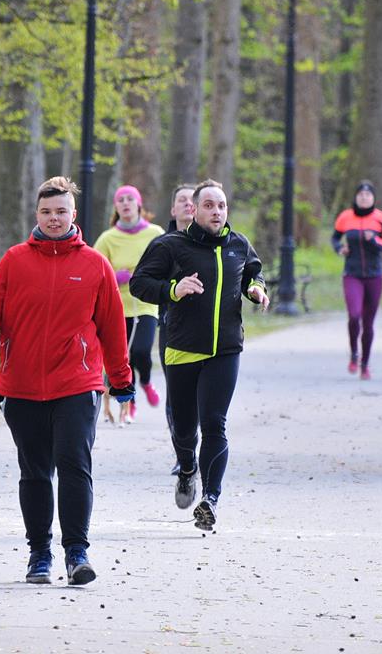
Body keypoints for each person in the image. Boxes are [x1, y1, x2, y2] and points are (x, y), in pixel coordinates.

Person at [0, 176, 134, 586]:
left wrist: (121, 380)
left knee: (74, 465)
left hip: (77, 383)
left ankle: (77, 552)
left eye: (61, 211)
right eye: (46, 212)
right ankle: (39, 553)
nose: (54, 219)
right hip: (21, 386)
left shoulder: (94, 265)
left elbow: (112, 328)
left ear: (74, 215)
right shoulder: (13, 261)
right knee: (35, 472)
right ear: (36, 214)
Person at [130, 179, 268, 532]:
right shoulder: (171, 246)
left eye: (221, 205)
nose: (216, 212)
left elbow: (254, 273)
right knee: (184, 429)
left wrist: (256, 290)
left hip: (225, 350)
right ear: (194, 210)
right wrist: (173, 289)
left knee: (215, 423)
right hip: (182, 349)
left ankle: (211, 499)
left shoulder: (238, 245)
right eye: (208, 205)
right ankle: (187, 468)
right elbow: (139, 283)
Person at [93, 185, 165, 422]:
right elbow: (94, 271)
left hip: (146, 304)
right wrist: (115, 277)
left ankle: (146, 382)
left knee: (141, 351)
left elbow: (168, 264)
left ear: (138, 204)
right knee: (123, 357)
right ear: (116, 207)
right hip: (117, 307)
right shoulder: (107, 238)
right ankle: (130, 403)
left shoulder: (156, 233)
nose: (125, 203)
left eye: (129, 199)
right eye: (121, 200)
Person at [330, 180, 382, 380]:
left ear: (373, 198)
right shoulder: (346, 217)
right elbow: (335, 238)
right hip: (352, 274)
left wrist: (375, 240)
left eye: (368, 195)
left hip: (374, 275)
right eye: (360, 194)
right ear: (356, 197)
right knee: (354, 315)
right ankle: (354, 353)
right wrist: (339, 248)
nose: (364, 198)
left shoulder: (381, 219)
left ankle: (365, 364)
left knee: (368, 323)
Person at [154, 184, 196, 474]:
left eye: (193, 200)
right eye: (182, 200)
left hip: (207, 331)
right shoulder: (162, 245)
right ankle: (183, 454)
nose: (188, 204)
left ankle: (196, 449)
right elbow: (146, 283)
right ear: (173, 209)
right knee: (177, 394)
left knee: (201, 396)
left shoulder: (215, 243)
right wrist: (173, 289)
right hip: (170, 327)